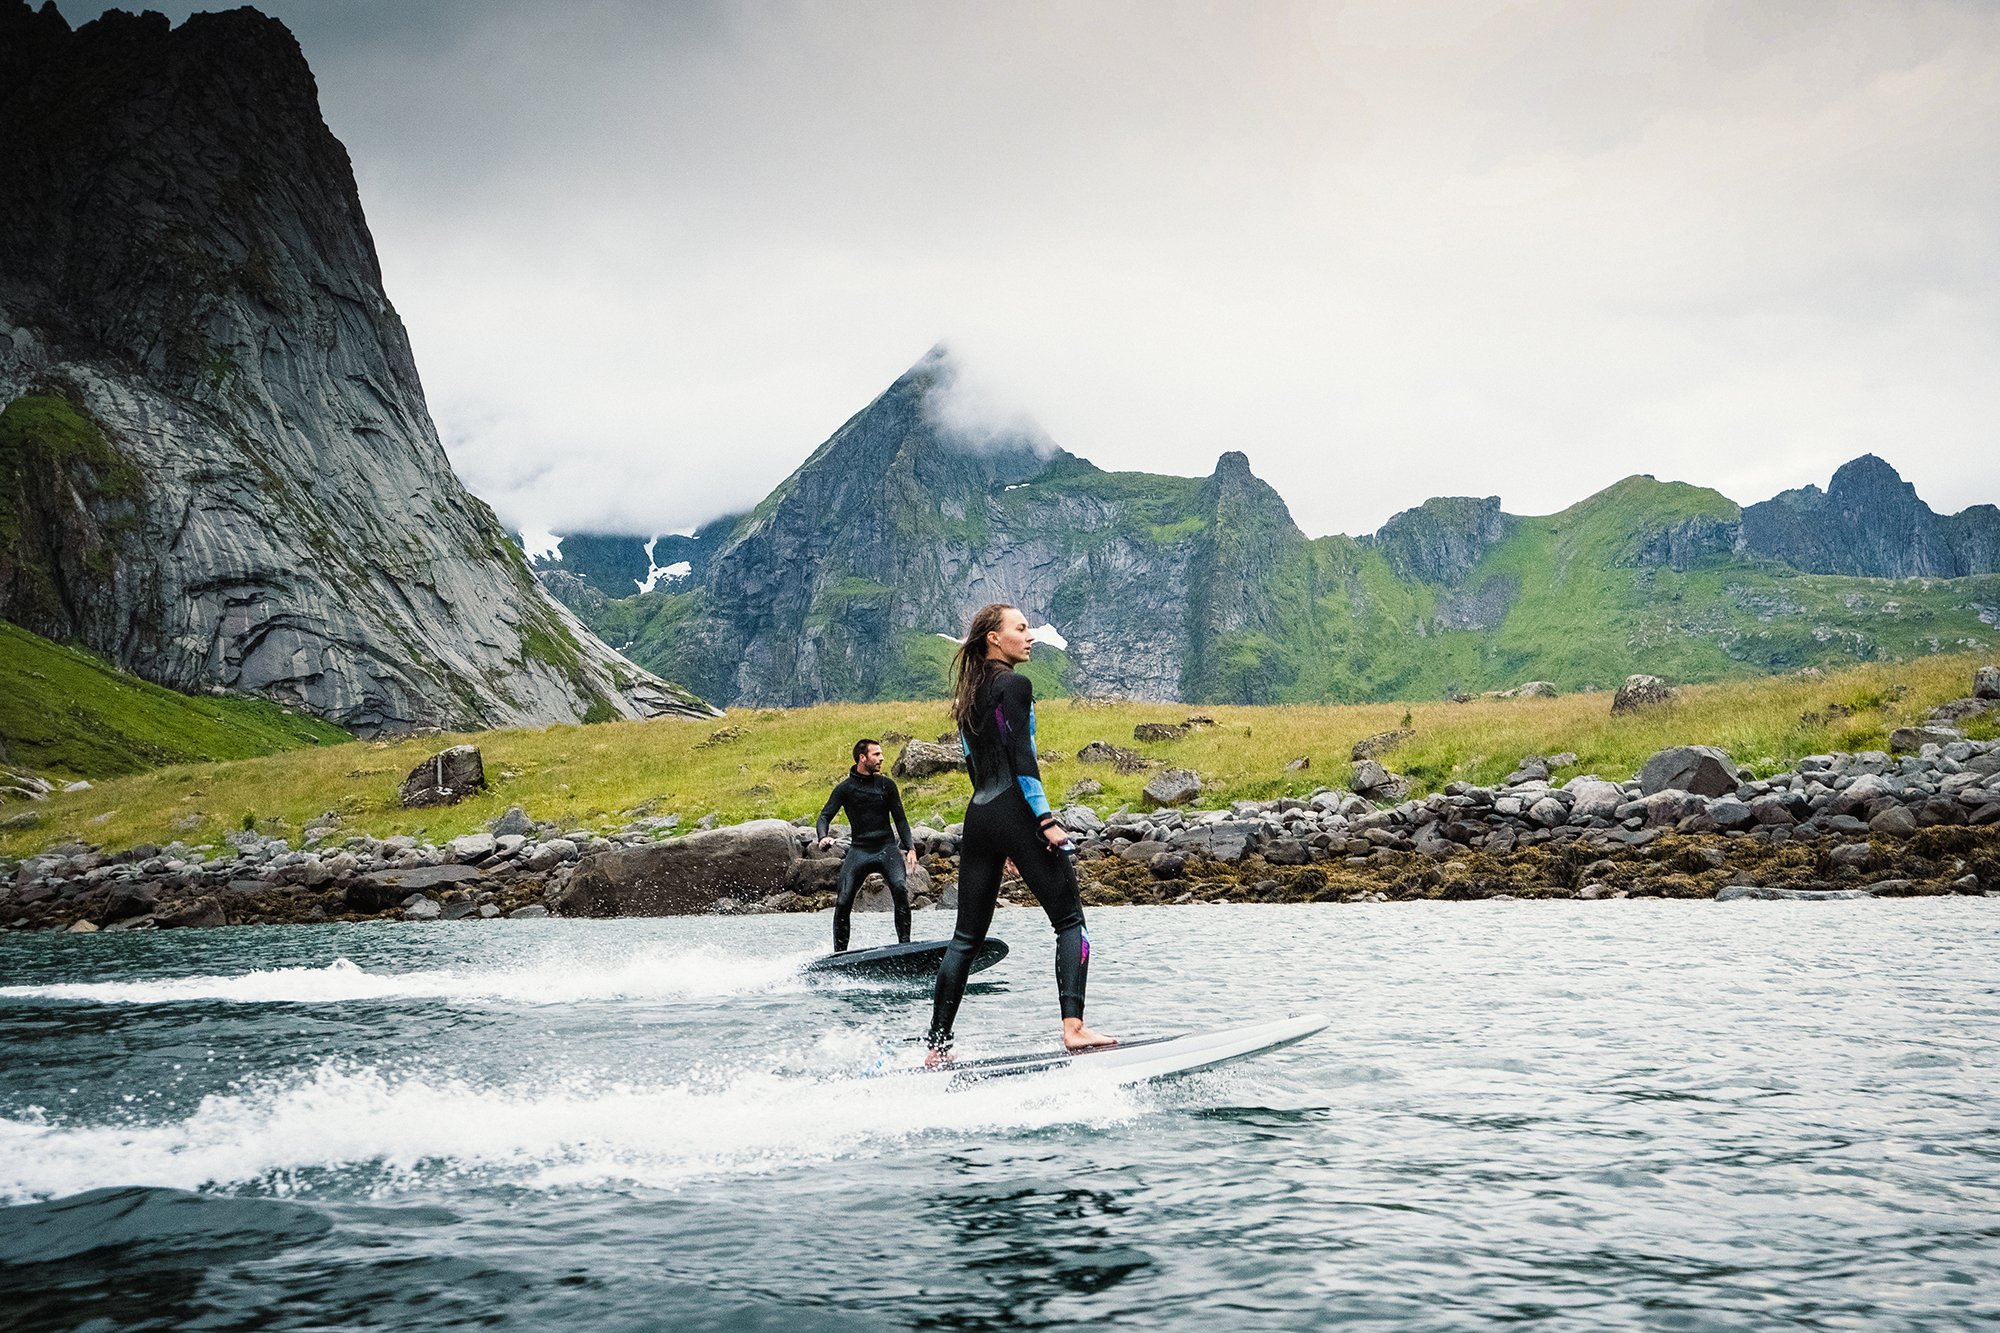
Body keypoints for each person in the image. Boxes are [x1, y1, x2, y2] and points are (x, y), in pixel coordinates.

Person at [927, 603, 1113, 1061]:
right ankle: (1074, 1029)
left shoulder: (967, 695)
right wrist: (1043, 822)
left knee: (965, 940)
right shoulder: (1015, 685)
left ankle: (936, 1048)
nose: (1030, 637)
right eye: (1021, 628)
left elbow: (975, 766)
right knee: (1071, 923)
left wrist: (1002, 834)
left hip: (980, 815)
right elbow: (1022, 758)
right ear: (995, 637)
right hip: (1015, 809)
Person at [816, 738, 917, 952]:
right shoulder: (845, 789)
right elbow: (824, 816)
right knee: (843, 901)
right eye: (876, 754)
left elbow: (900, 819)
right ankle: (840, 955)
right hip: (859, 850)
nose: (881, 758)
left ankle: (905, 947)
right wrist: (822, 836)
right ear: (863, 758)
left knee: (900, 888)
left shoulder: (887, 786)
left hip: (887, 848)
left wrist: (911, 848)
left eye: (881, 754)